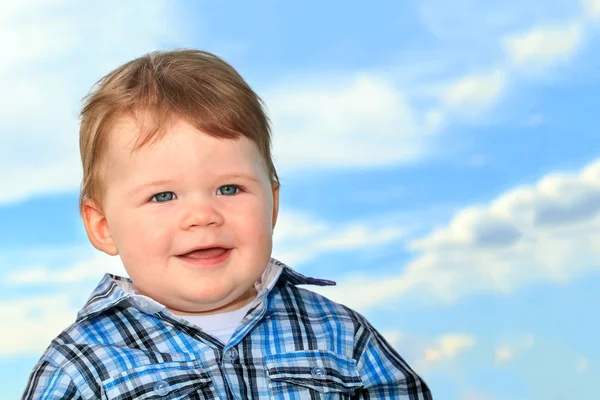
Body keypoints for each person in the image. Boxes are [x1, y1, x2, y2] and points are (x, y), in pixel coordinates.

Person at [22, 49, 432, 399]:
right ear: (103, 226)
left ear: (272, 204)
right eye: (162, 196)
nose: (202, 216)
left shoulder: (339, 335)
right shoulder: (81, 364)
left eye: (230, 189)